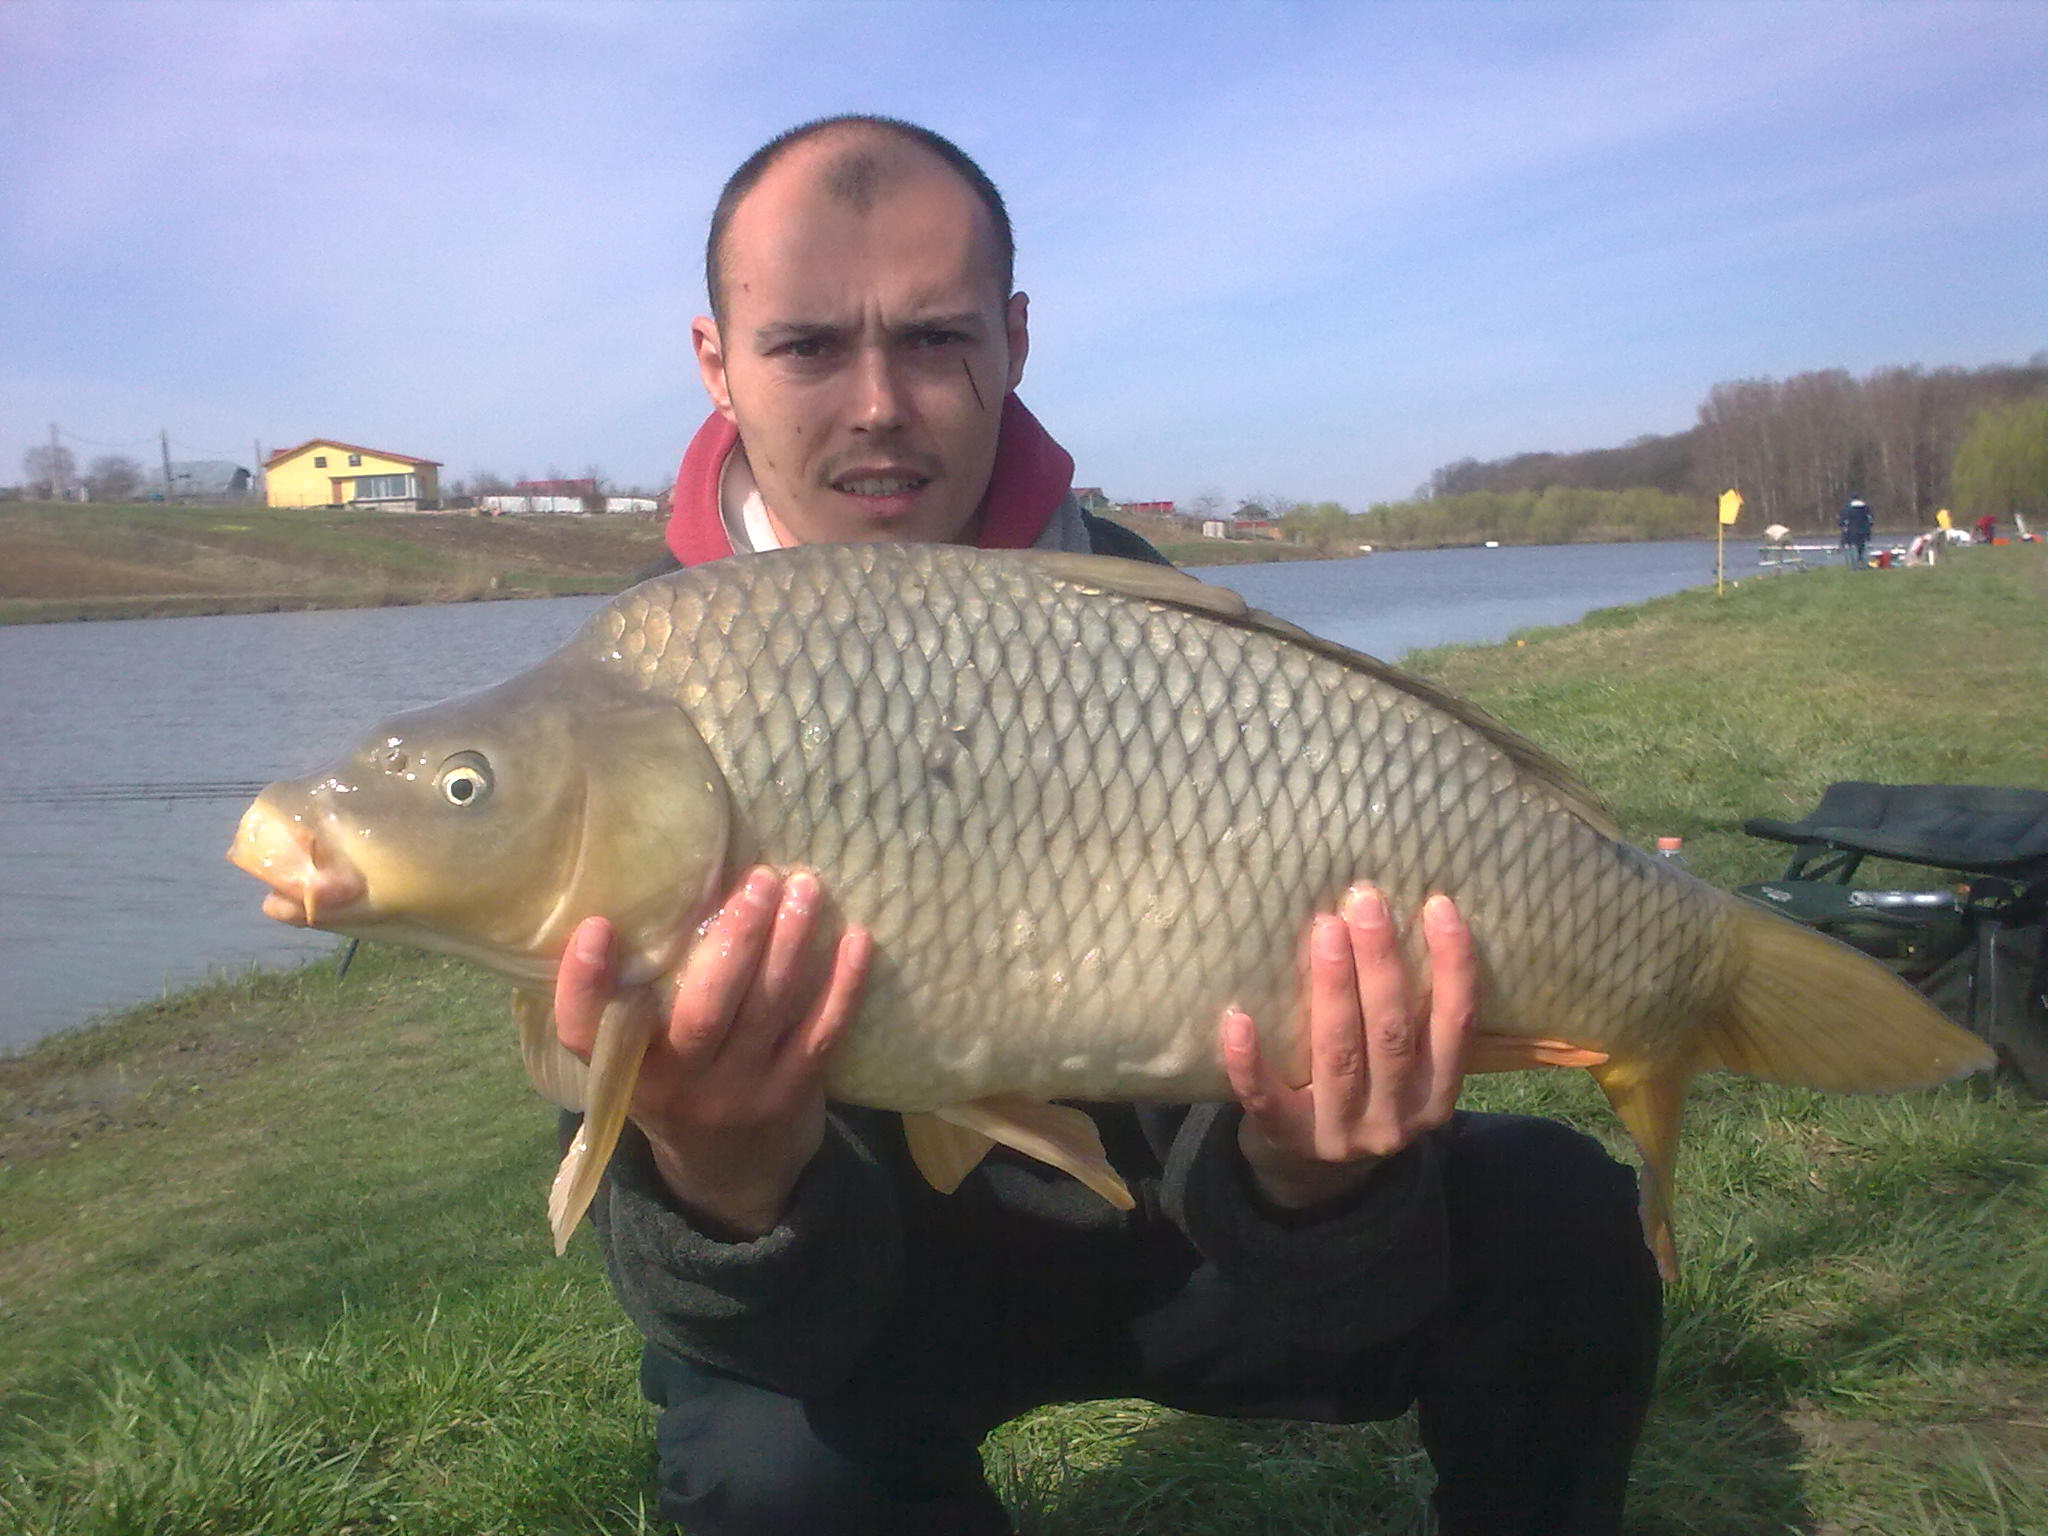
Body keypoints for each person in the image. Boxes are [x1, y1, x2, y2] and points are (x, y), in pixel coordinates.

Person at [553, 115, 1661, 1536]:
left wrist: (1311, 1176)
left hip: (1193, 1233)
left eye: (935, 340)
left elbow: (1307, 1226)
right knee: (769, 1465)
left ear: (1014, 341)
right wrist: (723, 1175)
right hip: (863, 1297)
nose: (879, 404)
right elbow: (722, 1312)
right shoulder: (631, 702)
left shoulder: (1156, 635)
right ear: (716, 361)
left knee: (1560, 1216)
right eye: (809, 346)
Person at [1838, 498, 1874, 568]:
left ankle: (1854, 566)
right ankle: (1863, 565)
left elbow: (1843, 521)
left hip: (1852, 531)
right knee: (1862, 548)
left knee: (1852, 548)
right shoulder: (1866, 508)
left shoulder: (1847, 508)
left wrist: (1843, 526)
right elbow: (1870, 520)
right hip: (1864, 531)